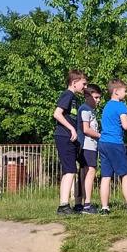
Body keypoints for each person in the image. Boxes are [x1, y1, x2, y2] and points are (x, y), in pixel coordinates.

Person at [97, 79, 127, 215]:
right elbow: (125, 126)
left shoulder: (106, 106)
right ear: (116, 91)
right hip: (115, 143)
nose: (126, 93)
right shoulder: (121, 106)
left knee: (106, 176)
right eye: (125, 91)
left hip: (103, 142)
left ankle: (104, 208)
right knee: (125, 174)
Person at [53, 70, 88, 216]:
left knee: (71, 170)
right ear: (74, 83)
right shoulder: (68, 95)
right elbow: (57, 113)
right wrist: (71, 129)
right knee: (70, 170)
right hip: (64, 136)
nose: (85, 87)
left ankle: (65, 205)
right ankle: (63, 206)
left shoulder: (74, 98)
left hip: (70, 138)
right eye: (83, 83)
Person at [76, 84, 102, 214]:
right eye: (96, 97)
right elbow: (86, 129)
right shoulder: (85, 109)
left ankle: (79, 203)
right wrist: (101, 136)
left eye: (99, 98)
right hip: (87, 145)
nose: (98, 100)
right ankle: (87, 204)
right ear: (87, 96)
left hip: (90, 145)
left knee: (84, 173)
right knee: (90, 171)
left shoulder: (90, 110)